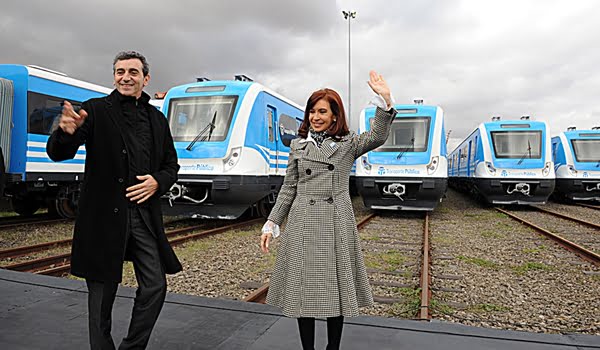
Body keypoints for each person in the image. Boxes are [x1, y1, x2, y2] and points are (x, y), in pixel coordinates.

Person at [47, 51, 182, 350]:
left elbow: (172, 166)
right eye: (120, 71)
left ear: (145, 79)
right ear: (114, 76)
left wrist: (158, 181)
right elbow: (59, 152)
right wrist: (64, 133)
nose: (125, 77)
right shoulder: (96, 110)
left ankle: (131, 347)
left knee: (155, 286)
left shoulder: (157, 120)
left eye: (133, 72)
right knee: (101, 299)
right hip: (104, 218)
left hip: (143, 216)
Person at [260, 70, 397, 350]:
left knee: (334, 292)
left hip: (334, 221)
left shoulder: (348, 144)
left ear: (335, 116)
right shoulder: (298, 145)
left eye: (322, 111)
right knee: (302, 293)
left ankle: (332, 348)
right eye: (312, 111)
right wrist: (271, 223)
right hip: (302, 222)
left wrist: (385, 101)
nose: (316, 117)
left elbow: (378, 136)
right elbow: (289, 187)